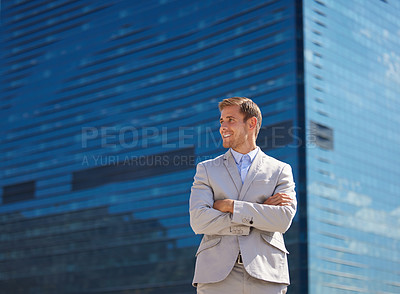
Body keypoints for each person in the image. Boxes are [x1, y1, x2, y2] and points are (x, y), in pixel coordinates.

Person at [189, 97, 297, 294]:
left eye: (230, 119)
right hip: (216, 275)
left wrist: (230, 206)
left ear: (252, 123)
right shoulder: (206, 169)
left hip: (266, 273)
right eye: (221, 121)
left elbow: (282, 221)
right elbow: (199, 221)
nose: (223, 127)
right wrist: (261, 213)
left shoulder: (280, 170)